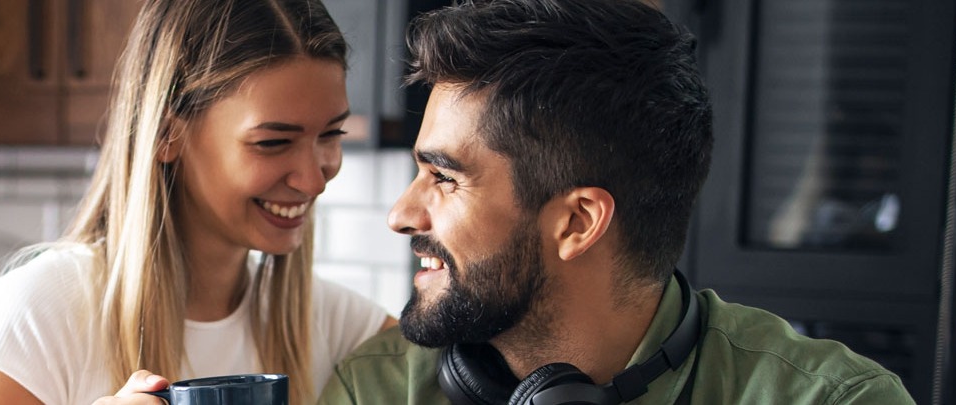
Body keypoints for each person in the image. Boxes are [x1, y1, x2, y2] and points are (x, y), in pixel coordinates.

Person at [318, 0, 915, 403]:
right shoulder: (377, 388)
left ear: (578, 222)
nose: (401, 214)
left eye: (444, 178)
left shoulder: (834, 398)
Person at [0, 0, 395, 404]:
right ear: (166, 135)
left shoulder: (339, 327)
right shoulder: (38, 316)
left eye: (331, 135)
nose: (314, 179)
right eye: (274, 142)